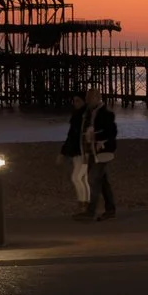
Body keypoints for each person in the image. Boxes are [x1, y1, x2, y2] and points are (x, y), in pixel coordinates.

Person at [61, 90, 94, 219]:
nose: (75, 103)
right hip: (76, 151)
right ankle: (84, 205)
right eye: (74, 101)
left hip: (84, 151)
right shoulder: (76, 115)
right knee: (82, 178)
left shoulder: (87, 115)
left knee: (77, 177)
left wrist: (88, 153)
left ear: (84, 101)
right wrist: (63, 152)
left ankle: (85, 205)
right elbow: (71, 135)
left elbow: (89, 135)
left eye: (78, 100)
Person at [87, 91, 120, 219]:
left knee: (94, 179)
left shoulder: (107, 114)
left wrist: (96, 136)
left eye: (89, 98)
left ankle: (90, 211)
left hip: (103, 150)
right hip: (94, 151)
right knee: (102, 180)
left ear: (96, 98)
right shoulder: (90, 113)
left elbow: (112, 132)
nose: (87, 101)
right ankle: (110, 209)